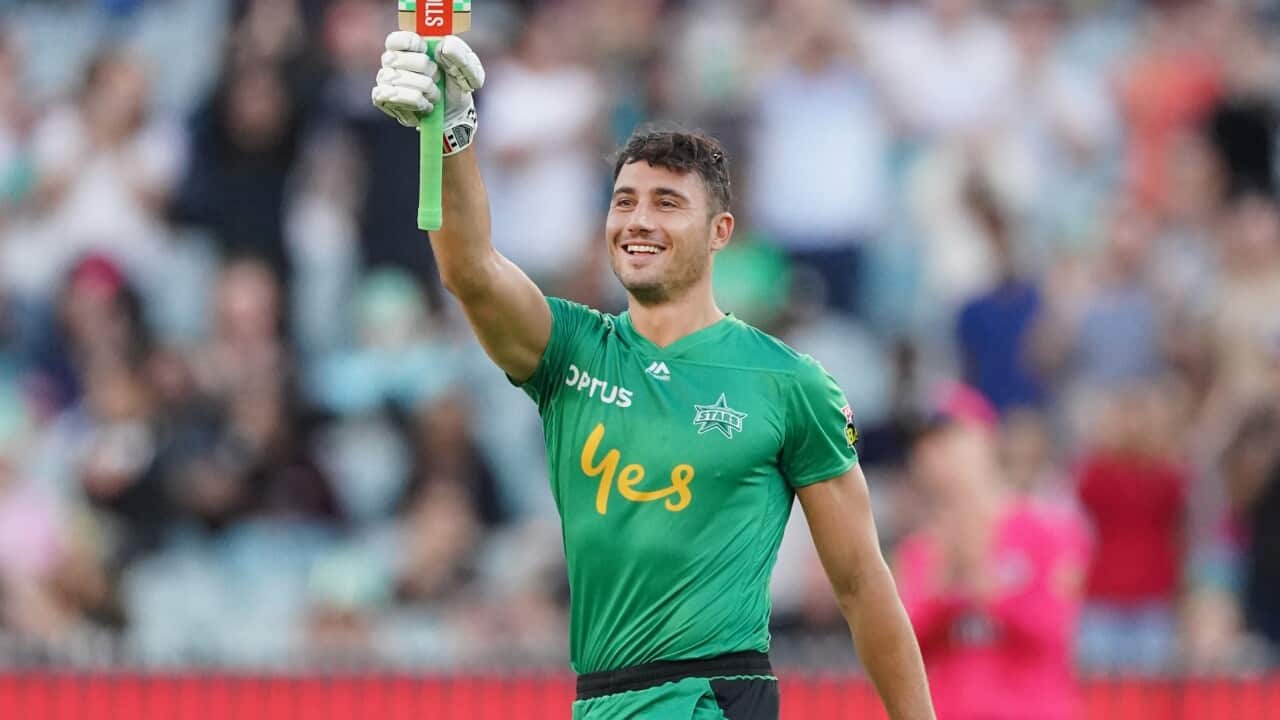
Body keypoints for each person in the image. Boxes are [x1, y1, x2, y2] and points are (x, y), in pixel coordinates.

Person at [371, 31, 935, 720]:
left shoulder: (790, 383)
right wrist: (450, 134)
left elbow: (862, 585)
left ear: (721, 231)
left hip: (710, 698)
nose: (638, 220)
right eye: (624, 200)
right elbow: (470, 270)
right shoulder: (573, 352)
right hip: (601, 703)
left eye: (667, 202)